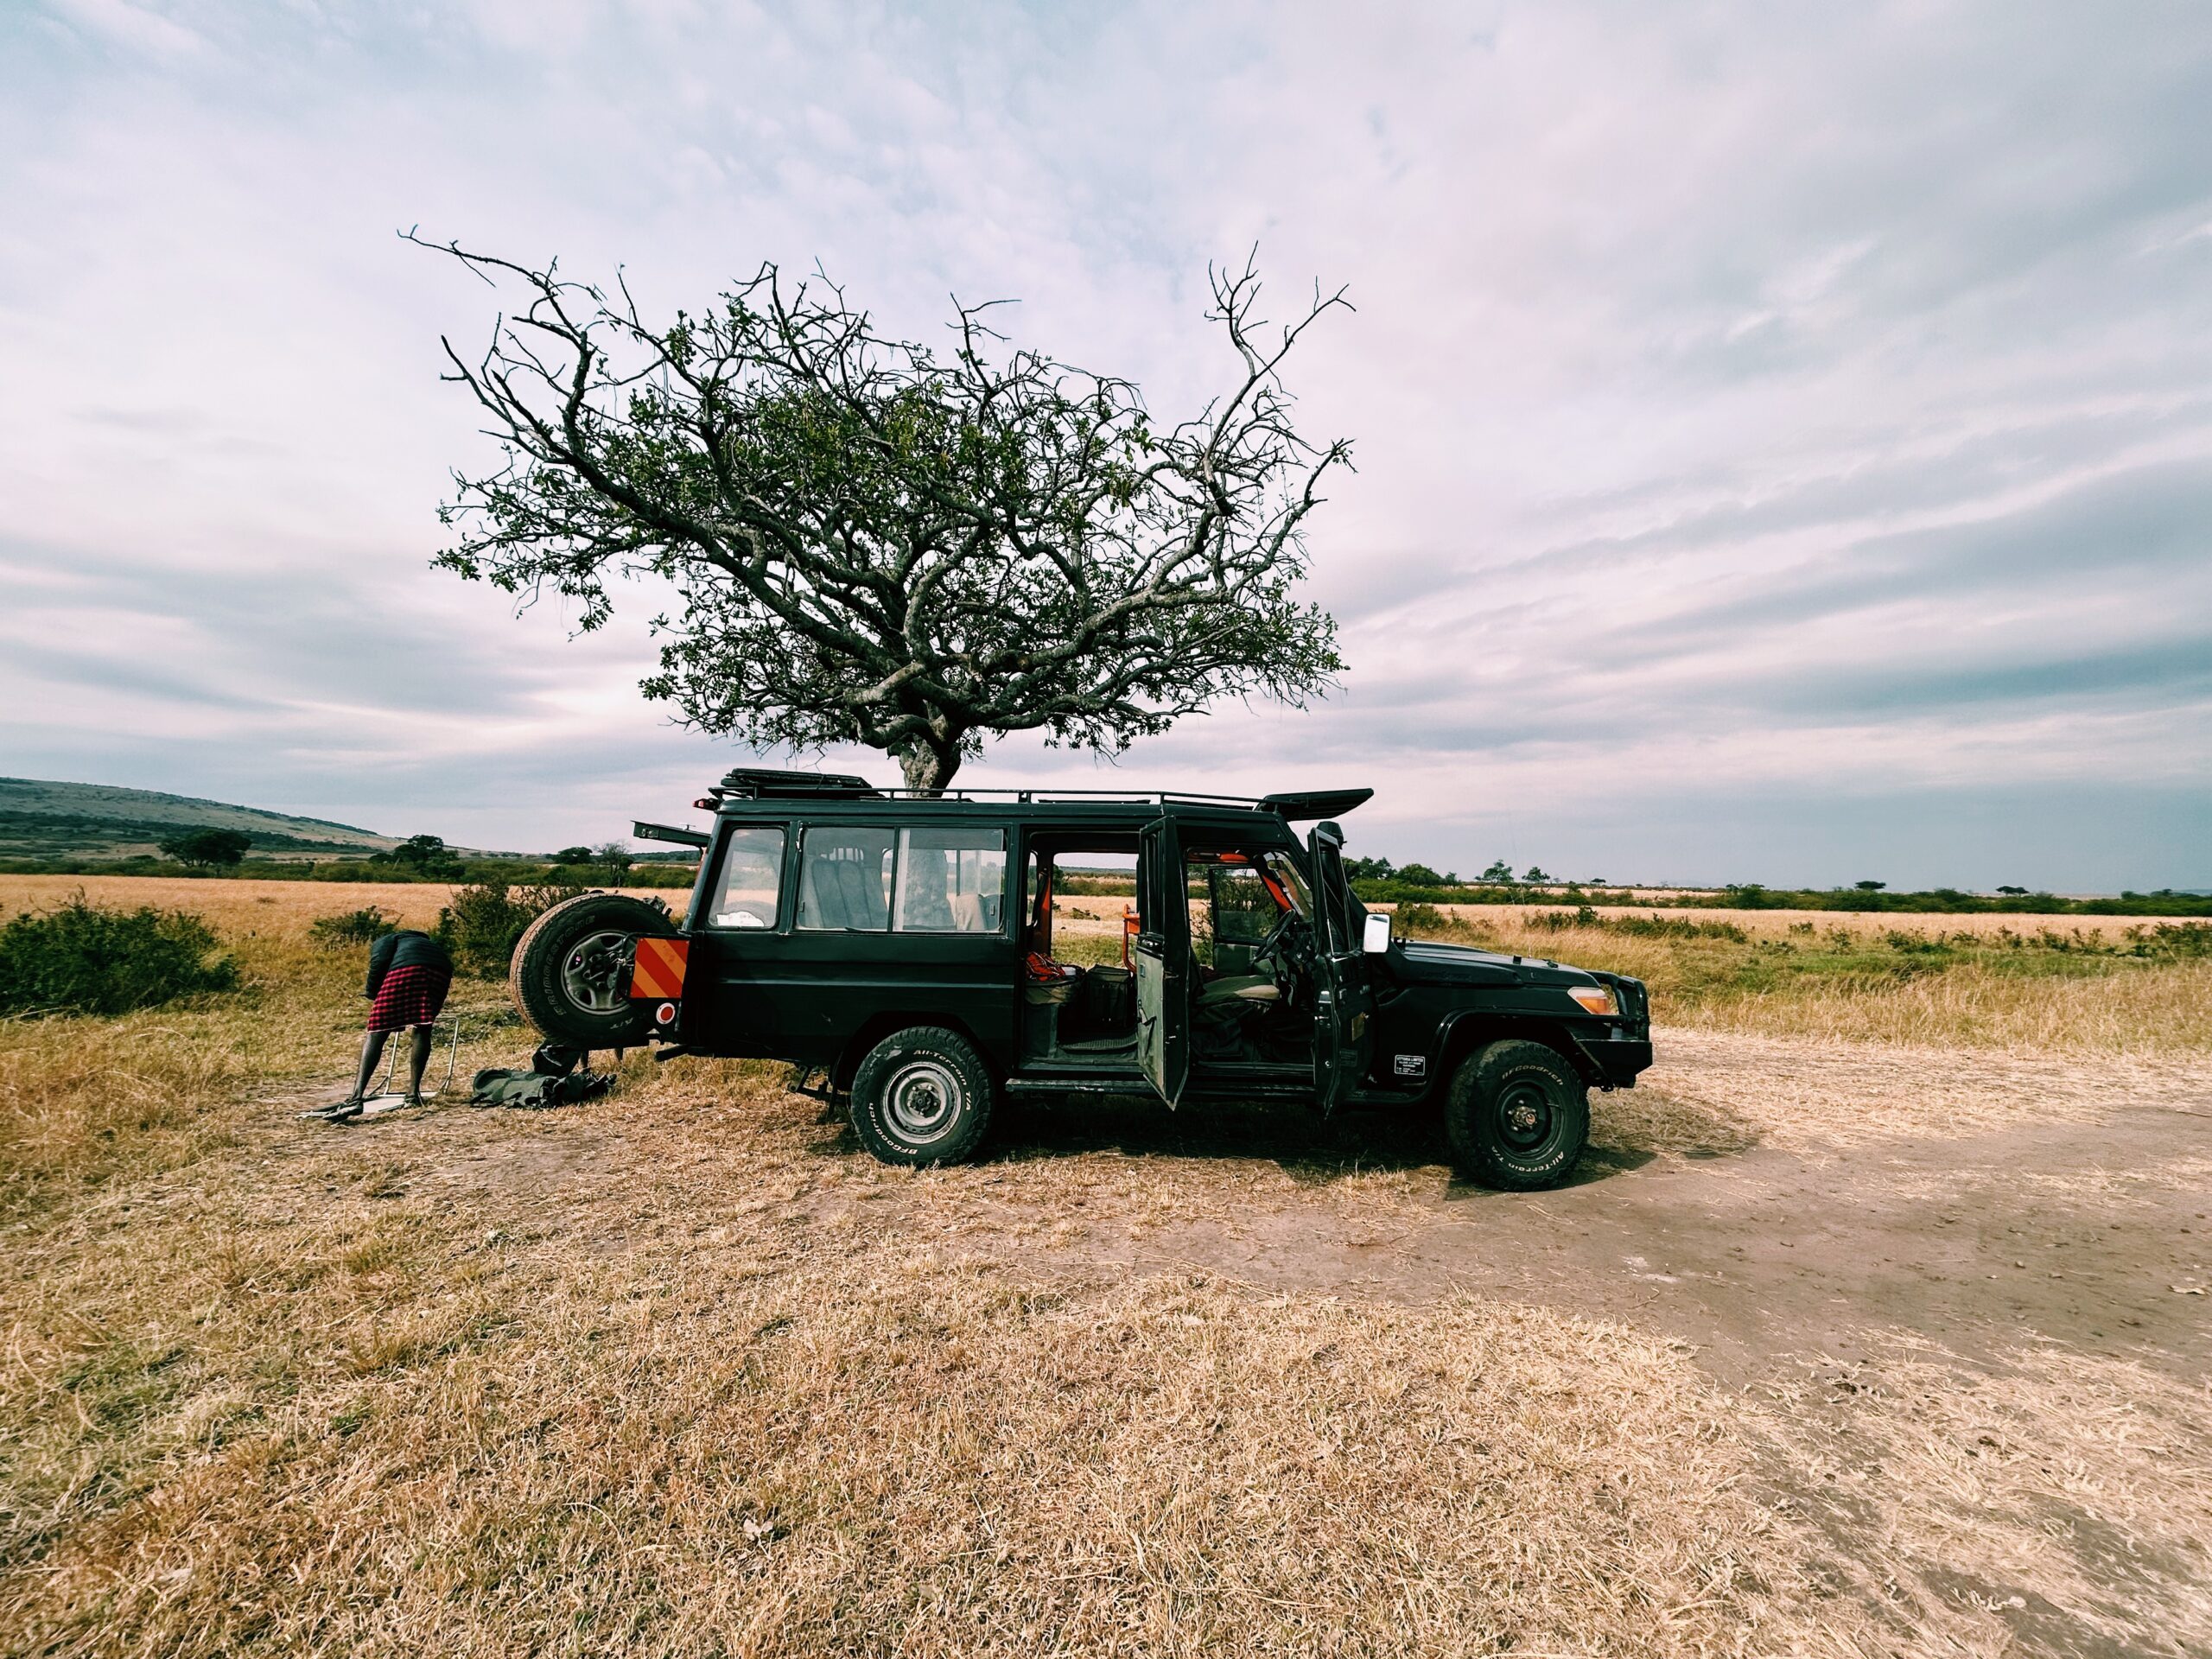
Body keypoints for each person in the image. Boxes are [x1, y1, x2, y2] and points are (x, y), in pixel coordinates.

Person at [321, 928, 454, 1122]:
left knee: (377, 1029)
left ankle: (356, 1098)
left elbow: (379, 962)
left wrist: (372, 991)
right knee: (423, 1027)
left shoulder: (391, 938)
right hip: (440, 974)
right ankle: (413, 1094)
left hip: (408, 969)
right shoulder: (430, 945)